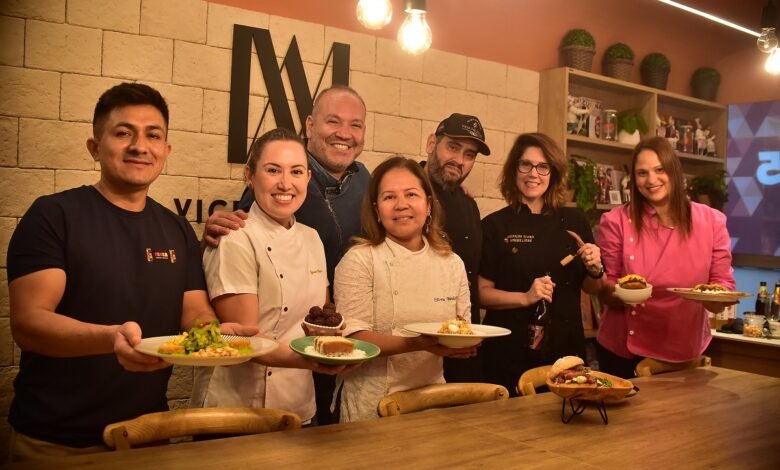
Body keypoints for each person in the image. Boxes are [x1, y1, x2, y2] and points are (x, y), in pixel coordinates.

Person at [5, 83, 255, 461]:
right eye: (123, 133)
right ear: (95, 147)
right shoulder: (54, 216)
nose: (140, 146)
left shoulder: (175, 228)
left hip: (149, 436)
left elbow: (194, 312)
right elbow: (29, 323)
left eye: (153, 135)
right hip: (58, 443)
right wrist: (112, 339)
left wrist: (214, 334)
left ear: (166, 151)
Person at [202, 85, 369, 424]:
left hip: (300, 404)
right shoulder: (236, 236)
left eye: (295, 172)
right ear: (250, 176)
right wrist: (315, 361)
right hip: (236, 409)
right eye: (272, 170)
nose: (285, 183)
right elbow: (246, 339)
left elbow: (316, 318)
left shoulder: (311, 238)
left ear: (307, 177)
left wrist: (340, 343)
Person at [334, 156, 478, 423]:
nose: (401, 205)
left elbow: (461, 327)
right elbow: (353, 340)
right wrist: (416, 344)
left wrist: (461, 345)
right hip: (372, 405)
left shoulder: (451, 263)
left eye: (411, 194)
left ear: (428, 203)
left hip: (433, 399)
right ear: (376, 210)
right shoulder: (360, 260)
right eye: (389, 198)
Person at [595, 137, 735, 378]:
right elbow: (606, 290)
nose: (651, 180)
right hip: (625, 354)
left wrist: (716, 300)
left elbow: (722, 284)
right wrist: (625, 293)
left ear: (674, 171)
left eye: (660, 170)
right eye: (642, 173)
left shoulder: (712, 221)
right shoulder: (615, 221)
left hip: (686, 349)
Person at [478, 133, 605, 397]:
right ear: (514, 169)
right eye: (525, 164)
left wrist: (596, 269)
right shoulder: (493, 225)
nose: (533, 173)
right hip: (507, 351)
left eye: (543, 166)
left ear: (554, 172)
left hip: (565, 350)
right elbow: (481, 294)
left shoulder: (575, 221)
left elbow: (594, 288)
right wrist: (525, 298)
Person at [422, 113, 491, 383]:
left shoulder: (469, 205)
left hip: (464, 344)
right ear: (431, 144)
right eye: (452, 147)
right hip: (419, 344)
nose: (459, 161)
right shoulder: (406, 192)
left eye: (469, 155)